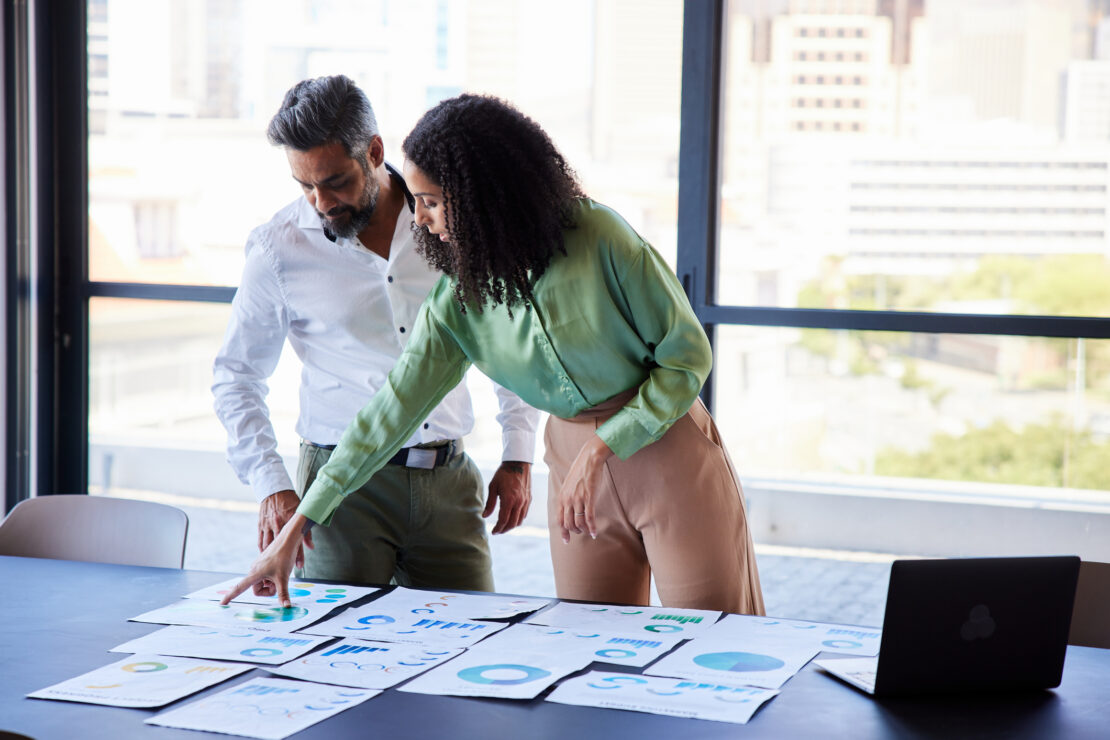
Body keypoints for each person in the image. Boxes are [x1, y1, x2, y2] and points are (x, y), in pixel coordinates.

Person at [223, 93, 764, 615]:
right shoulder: (455, 299)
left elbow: (687, 358)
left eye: (431, 202)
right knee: (591, 648)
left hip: (665, 447)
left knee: (714, 641)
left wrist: (597, 448)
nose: (419, 219)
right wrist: (295, 527)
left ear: (484, 196)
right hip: (572, 460)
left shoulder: (599, 234)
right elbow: (387, 415)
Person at [212, 77, 538, 591]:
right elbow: (235, 376)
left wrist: (518, 451)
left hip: (449, 481)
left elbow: (506, 337)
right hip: (339, 492)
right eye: (305, 186)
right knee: (332, 653)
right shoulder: (278, 249)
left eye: (336, 181)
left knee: (468, 645)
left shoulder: (449, 222)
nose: (321, 202)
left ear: (375, 151)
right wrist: (272, 486)